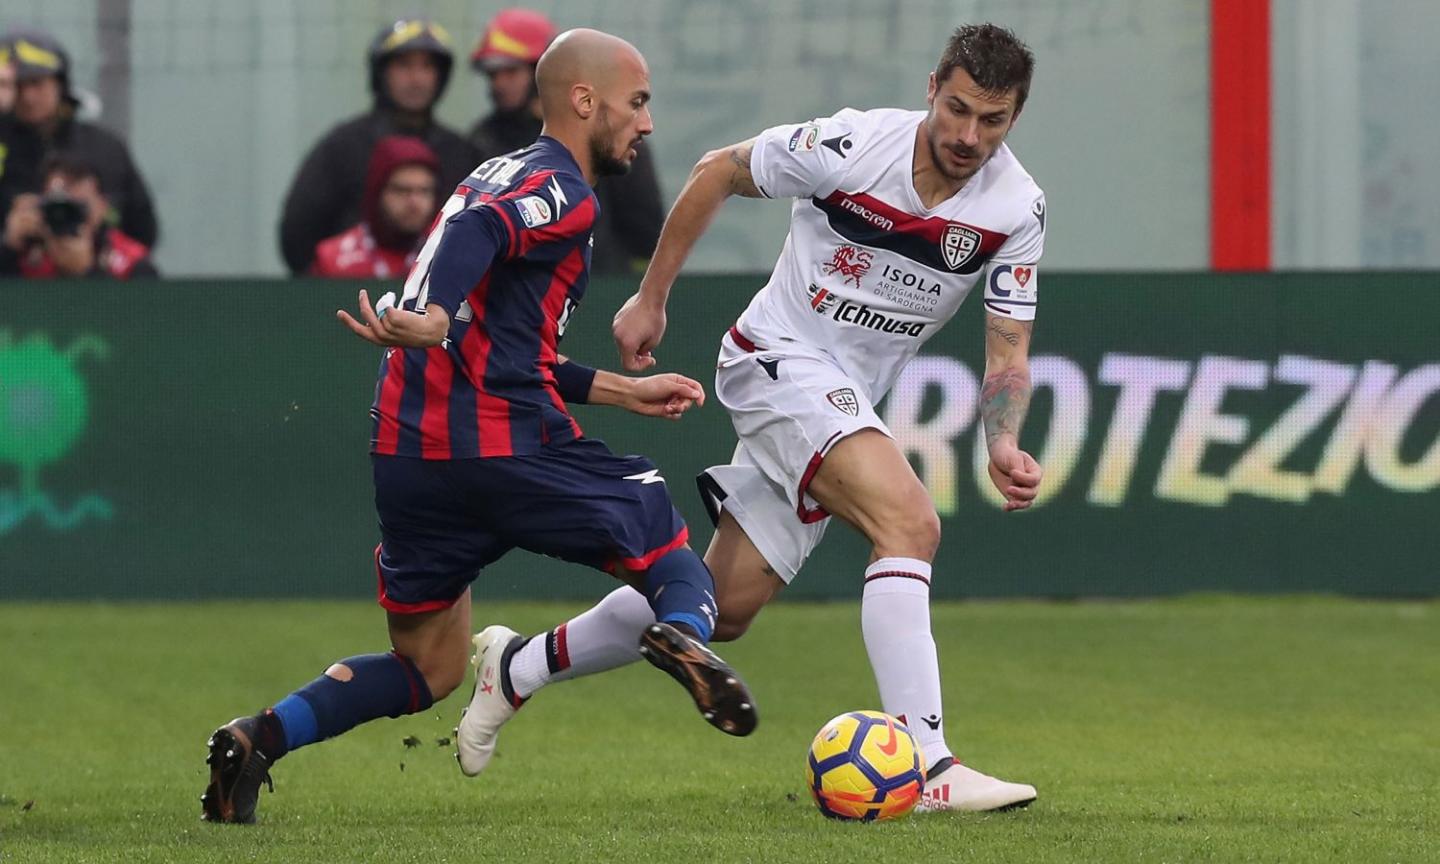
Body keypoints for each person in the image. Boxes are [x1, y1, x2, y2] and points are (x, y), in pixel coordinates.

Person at [461, 24, 1046, 814]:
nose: (968, 135)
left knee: (718, 607)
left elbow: (1008, 354)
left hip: (845, 399)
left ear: (1014, 119)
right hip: (776, 360)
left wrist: (1003, 440)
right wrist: (652, 296)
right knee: (909, 524)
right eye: (957, 109)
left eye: (992, 121)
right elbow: (718, 172)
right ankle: (931, 764)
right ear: (932, 87)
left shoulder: (1016, 208)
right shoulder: (849, 145)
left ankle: (520, 667)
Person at [201, 28, 756, 825]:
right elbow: (482, 232)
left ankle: (259, 738)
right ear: (583, 100)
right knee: (665, 538)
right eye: (637, 103)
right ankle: (679, 635)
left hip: (409, 450)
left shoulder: (494, 169)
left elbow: (501, 345)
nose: (647, 123)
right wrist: (428, 309)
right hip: (501, 444)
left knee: (428, 667)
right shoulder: (561, 187)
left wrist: (617, 390)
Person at [468, 8, 663, 276]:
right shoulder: (482, 140)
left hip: (600, 285)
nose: (499, 84)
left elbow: (646, 232)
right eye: (493, 74)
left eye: (510, 72)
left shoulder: (613, 137)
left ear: (544, 70)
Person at [278, 18, 480, 275]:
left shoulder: (460, 152)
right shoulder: (343, 146)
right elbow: (297, 235)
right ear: (381, 72)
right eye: (404, 66)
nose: (416, 79)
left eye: (427, 67)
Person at [0, 30, 158, 265]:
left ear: (60, 83)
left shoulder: (104, 148)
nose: (28, 97)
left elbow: (143, 232)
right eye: (18, 86)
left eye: (37, 83)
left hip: (98, 290)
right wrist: (8, 242)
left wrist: (97, 239)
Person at [1, 153, 156, 278]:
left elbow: (137, 314)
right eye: (58, 206)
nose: (66, 215)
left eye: (79, 207)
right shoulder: (25, 255)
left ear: (103, 206)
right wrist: (8, 248)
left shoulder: (131, 264)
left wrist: (87, 272)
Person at [311, 135, 438, 278]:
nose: (414, 202)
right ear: (377, 192)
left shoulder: (447, 252)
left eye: (424, 191)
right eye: (402, 190)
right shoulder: (333, 260)